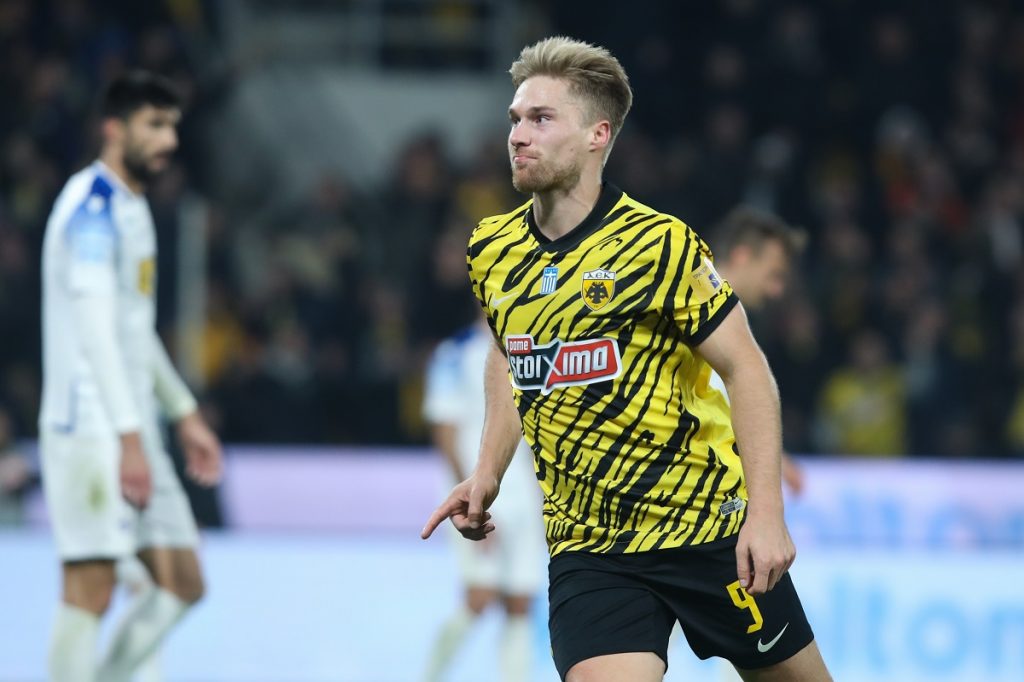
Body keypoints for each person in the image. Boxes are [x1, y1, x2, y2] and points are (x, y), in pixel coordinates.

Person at [422, 37, 831, 682]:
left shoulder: (658, 245)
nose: (518, 135)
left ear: (598, 135)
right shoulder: (491, 250)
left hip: (703, 527)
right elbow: (509, 353)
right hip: (590, 551)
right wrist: (487, 472)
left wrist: (766, 512)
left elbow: (746, 368)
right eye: (515, 119)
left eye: (541, 118)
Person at [40, 71, 222, 682]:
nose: (169, 140)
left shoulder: (131, 207)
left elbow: (132, 330)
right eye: (154, 125)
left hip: (131, 426)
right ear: (114, 129)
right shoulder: (91, 211)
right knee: (90, 589)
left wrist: (183, 411)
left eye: (173, 126)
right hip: (91, 430)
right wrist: (126, 439)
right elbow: (94, 329)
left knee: (183, 583)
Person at [421, 314, 545, 682]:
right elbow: (445, 429)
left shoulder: (539, 343)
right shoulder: (454, 353)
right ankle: (429, 675)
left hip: (526, 495)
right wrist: (470, 498)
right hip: (479, 492)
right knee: (481, 595)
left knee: (521, 601)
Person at [710, 207, 809, 496]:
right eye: (773, 275)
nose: (776, 290)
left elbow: (722, 401)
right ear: (742, 256)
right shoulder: (690, 308)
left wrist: (774, 457)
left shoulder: (728, 320)